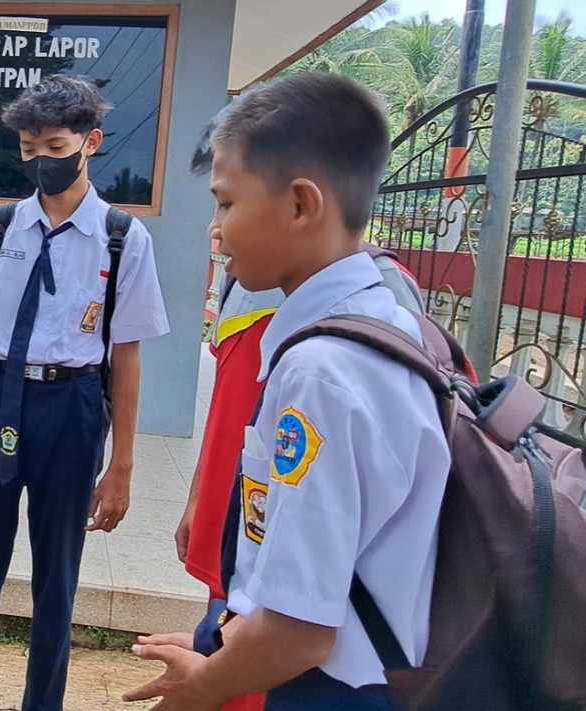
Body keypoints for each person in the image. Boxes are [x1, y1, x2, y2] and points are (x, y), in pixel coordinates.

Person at [125, 72, 450, 710]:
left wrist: (202, 688)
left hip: (337, 690)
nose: (216, 231)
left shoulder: (321, 373)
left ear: (302, 205)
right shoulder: (392, 323)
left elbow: (301, 630)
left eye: (225, 202)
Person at [0, 74, 169, 711]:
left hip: (74, 409)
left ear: (90, 142)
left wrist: (120, 464)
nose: (42, 161)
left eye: (55, 146)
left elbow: (127, 355)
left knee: (56, 580)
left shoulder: (122, 238)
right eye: (29, 149)